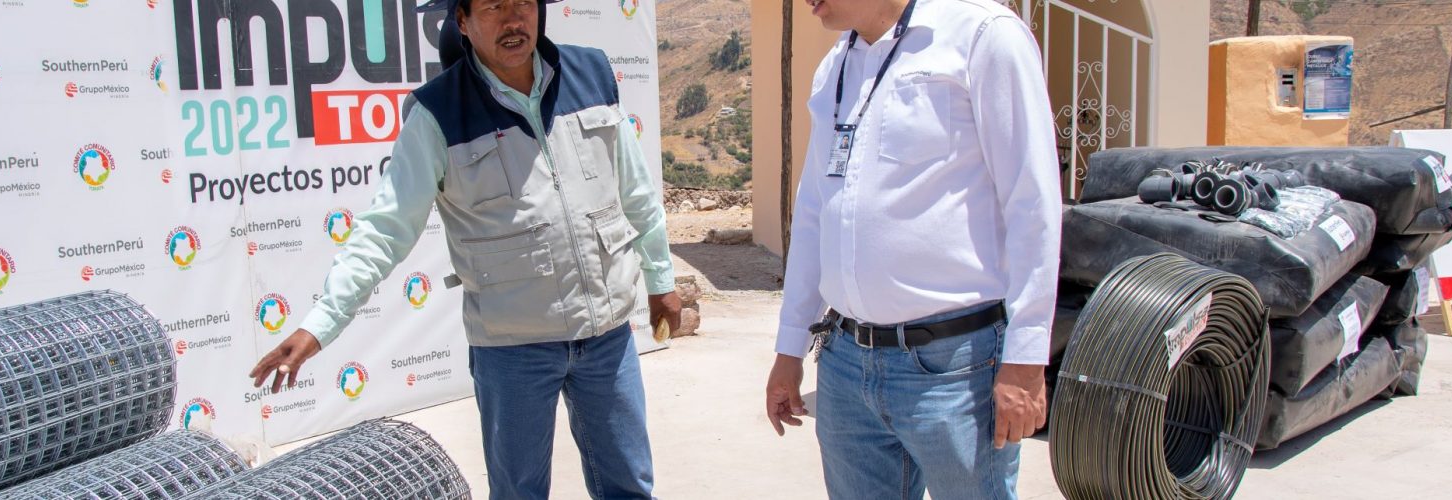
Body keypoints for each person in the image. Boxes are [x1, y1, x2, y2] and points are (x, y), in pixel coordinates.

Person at [246, 0, 680, 497]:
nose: (513, 20)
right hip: (513, 350)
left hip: (607, 337)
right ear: (462, 22)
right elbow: (385, 229)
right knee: (518, 492)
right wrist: (320, 324)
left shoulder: (590, 74)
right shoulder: (437, 113)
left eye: (522, 2)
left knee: (629, 485)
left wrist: (661, 279)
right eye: (493, 6)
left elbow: (636, 191)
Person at [763, 0, 1061, 498]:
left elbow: (1033, 205)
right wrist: (789, 348)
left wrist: (1026, 362)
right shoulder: (836, 65)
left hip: (955, 368)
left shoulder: (983, 35)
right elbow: (815, 212)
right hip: (845, 363)